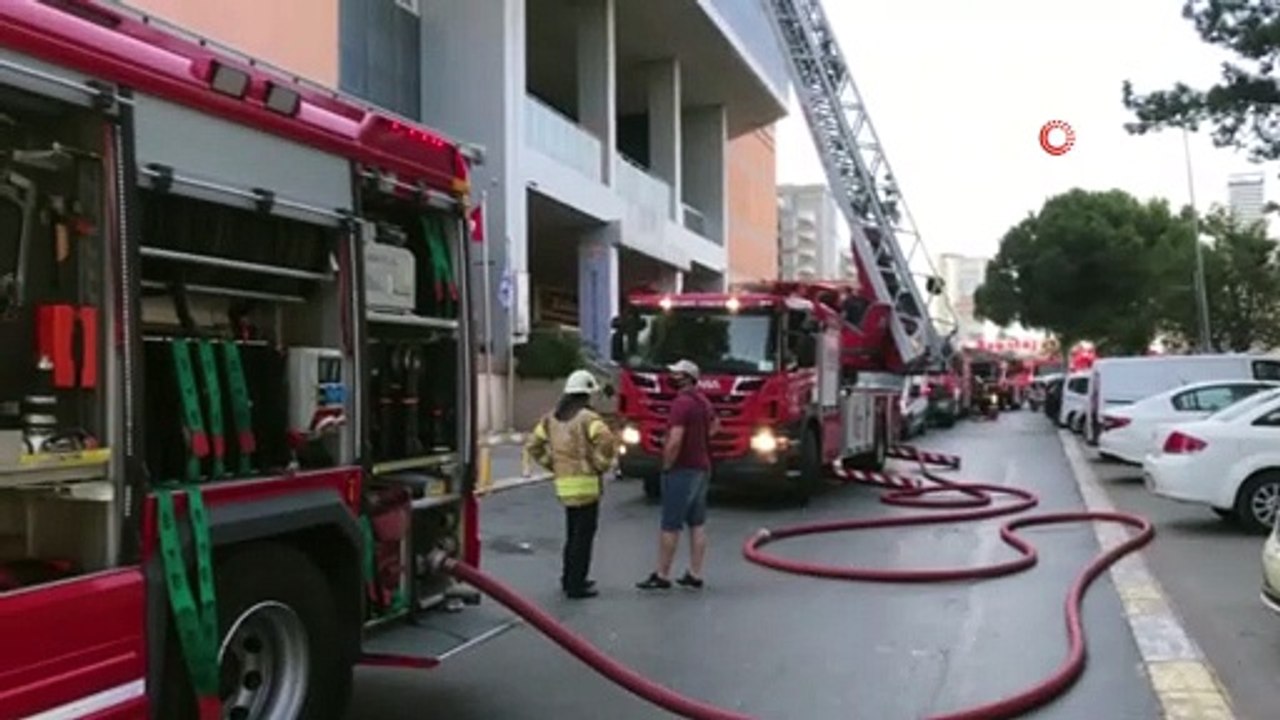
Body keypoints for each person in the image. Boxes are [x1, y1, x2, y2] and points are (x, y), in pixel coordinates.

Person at [525, 369, 618, 599]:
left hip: (564, 486)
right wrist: (600, 464)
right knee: (583, 537)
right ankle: (577, 584)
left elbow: (533, 445)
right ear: (586, 394)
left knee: (572, 535)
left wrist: (553, 465)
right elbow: (606, 441)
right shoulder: (588, 418)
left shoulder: (551, 419)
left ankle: (568, 578)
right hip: (587, 485)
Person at [637, 359, 719, 591]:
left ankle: (662, 574)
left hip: (682, 470)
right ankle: (695, 573)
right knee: (697, 523)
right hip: (702, 467)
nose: (671, 377)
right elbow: (716, 425)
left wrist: (667, 465)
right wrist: (700, 441)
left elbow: (675, 440)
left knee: (670, 524)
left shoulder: (681, 404)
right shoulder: (702, 401)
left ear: (687, 378)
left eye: (676, 374)